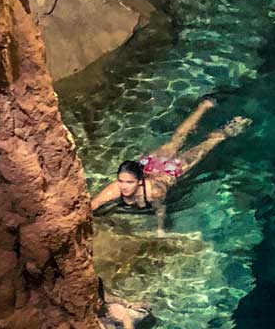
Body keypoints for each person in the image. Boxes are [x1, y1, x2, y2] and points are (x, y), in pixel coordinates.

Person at [90, 97, 250, 230]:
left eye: (129, 182)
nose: (124, 186)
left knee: (202, 148)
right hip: (150, 164)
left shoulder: (154, 192)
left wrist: (160, 229)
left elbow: (160, 208)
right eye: (121, 181)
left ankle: (221, 129)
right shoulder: (115, 188)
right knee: (176, 139)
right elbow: (94, 204)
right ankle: (204, 107)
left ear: (139, 182)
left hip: (171, 170)